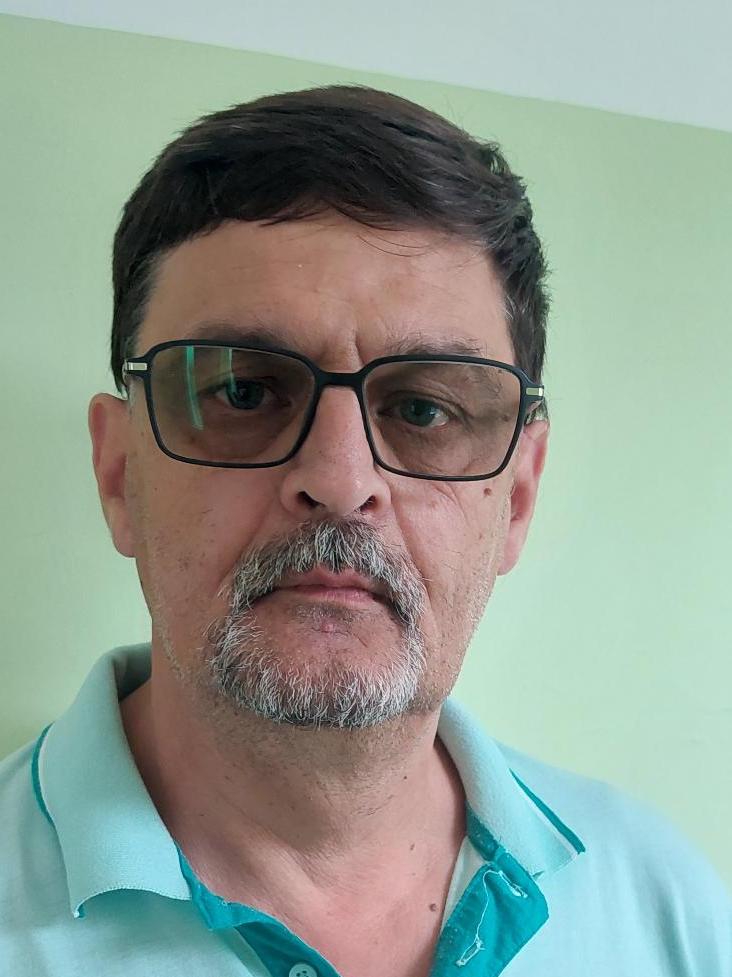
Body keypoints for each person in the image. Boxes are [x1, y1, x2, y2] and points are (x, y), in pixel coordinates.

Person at [0, 85, 729, 977]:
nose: (342, 483)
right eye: (244, 392)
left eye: (424, 408)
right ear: (120, 474)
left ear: (518, 498)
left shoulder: (669, 914)